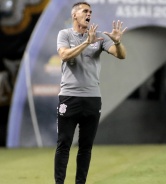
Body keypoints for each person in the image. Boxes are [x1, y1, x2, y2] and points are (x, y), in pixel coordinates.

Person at [54, 2, 127, 184]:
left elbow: (121, 55)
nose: (89, 14)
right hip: (69, 97)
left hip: (92, 98)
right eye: (85, 11)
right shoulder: (65, 35)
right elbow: (64, 55)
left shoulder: (99, 37)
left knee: (86, 147)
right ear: (74, 15)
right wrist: (86, 43)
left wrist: (117, 42)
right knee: (64, 144)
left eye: (90, 12)